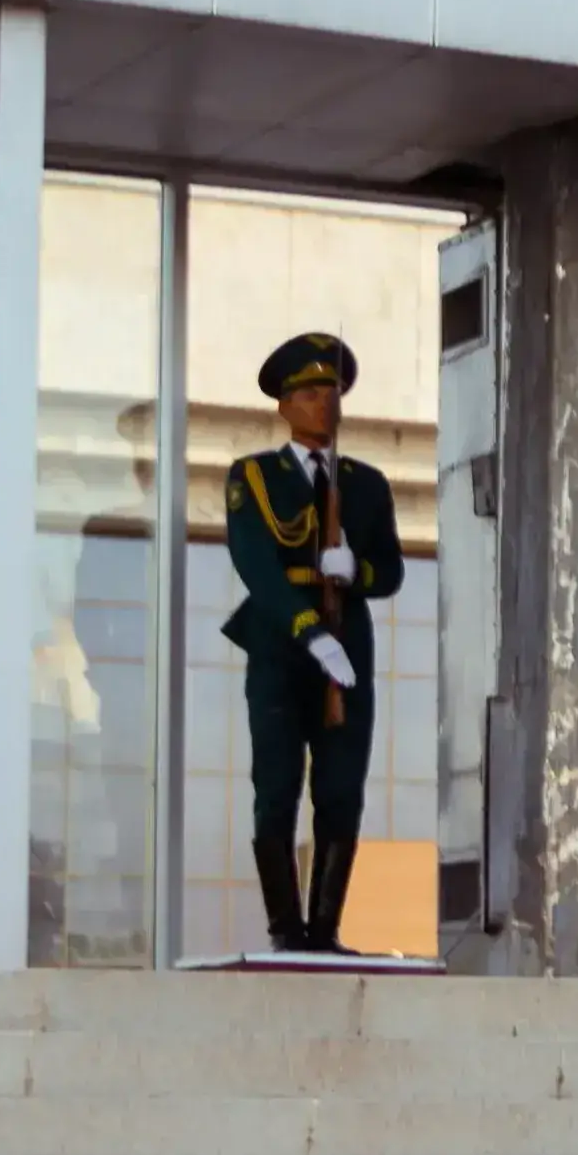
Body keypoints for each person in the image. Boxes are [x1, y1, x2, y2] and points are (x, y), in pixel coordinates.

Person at [220, 332, 406, 955]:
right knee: (275, 786)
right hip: (281, 645)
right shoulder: (254, 477)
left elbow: (392, 570)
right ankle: (285, 930)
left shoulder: (367, 484)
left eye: (331, 392)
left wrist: (357, 572)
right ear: (284, 405)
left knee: (340, 787)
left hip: (347, 647)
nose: (324, 404)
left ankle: (324, 932)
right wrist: (309, 631)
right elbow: (258, 567)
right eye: (309, 393)